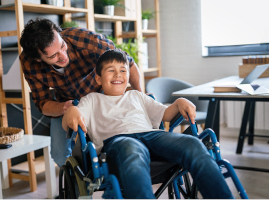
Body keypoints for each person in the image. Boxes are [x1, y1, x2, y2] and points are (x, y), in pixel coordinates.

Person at [62, 49, 234, 199]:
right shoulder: (91, 99)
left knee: (192, 143)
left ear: (128, 77)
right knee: (132, 149)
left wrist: (179, 102)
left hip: (152, 135)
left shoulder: (137, 96)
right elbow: (69, 122)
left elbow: (165, 114)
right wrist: (70, 111)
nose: (118, 75)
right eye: (111, 70)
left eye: (123, 70)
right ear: (98, 79)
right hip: (118, 141)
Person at [19, 18, 142, 167]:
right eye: (53, 56)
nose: (63, 56)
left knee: (113, 143)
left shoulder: (87, 40)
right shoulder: (28, 62)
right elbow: (42, 103)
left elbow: (129, 64)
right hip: (66, 103)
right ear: (38, 59)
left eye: (62, 46)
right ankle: (81, 187)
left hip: (101, 97)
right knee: (59, 154)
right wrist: (64, 107)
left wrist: (140, 95)